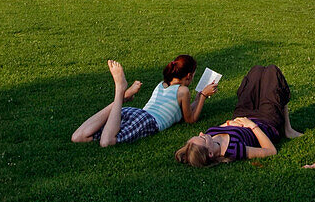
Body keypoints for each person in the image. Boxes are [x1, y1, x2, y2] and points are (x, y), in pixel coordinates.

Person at [72, 54, 217, 146]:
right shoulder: (183, 91)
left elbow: (182, 112)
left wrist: (198, 97)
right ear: (189, 76)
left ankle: (122, 99)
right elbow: (190, 119)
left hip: (134, 113)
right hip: (147, 121)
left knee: (78, 137)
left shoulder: (162, 84)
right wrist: (203, 96)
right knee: (107, 142)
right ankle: (120, 90)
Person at [175, 64, 302, 166]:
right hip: (264, 122)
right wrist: (252, 126)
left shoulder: (211, 133)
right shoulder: (233, 150)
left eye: (199, 135)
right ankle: (287, 129)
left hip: (242, 115)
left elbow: (226, 125)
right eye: (202, 139)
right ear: (210, 153)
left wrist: (230, 123)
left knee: (256, 71)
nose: (202, 133)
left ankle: (285, 127)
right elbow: (270, 151)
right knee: (272, 73)